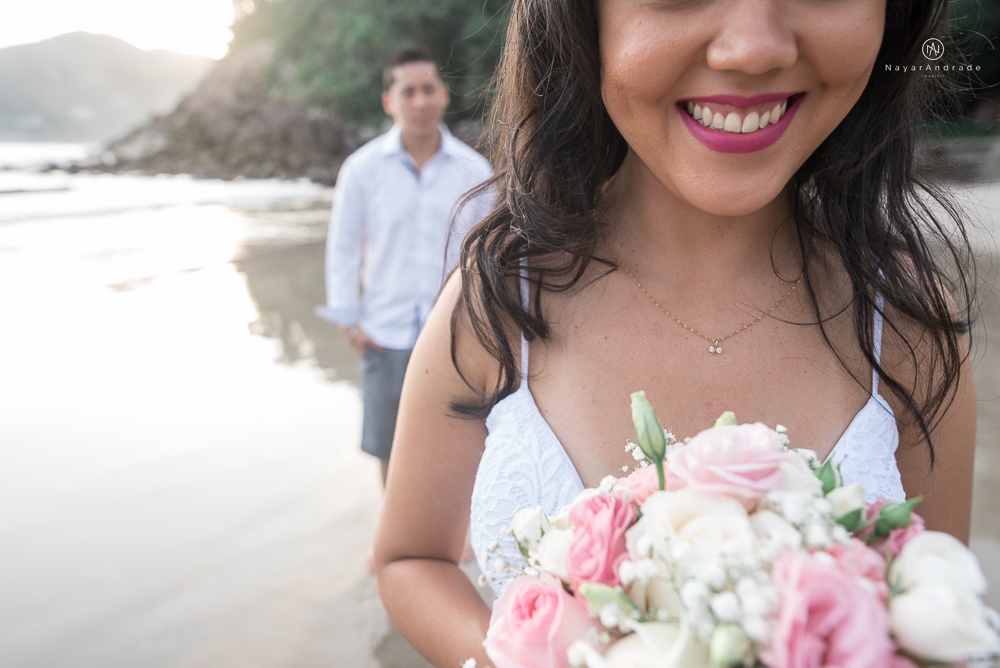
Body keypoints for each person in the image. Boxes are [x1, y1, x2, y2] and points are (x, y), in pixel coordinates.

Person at [373, 2, 978, 666]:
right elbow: (411, 557)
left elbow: (934, 612)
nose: (752, 48)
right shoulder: (497, 304)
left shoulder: (910, 324)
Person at [316, 47, 493, 486]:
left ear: (444, 95)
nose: (419, 101)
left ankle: (461, 543)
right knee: (388, 447)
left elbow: (489, 256)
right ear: (389, 101)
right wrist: (349, 323)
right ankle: (396, 546)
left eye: (428, 89)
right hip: (383, 333)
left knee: (461, 441)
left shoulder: (474, 171)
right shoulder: (361, 170)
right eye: (408, 91)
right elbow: (343, 249)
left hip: (456, 333)